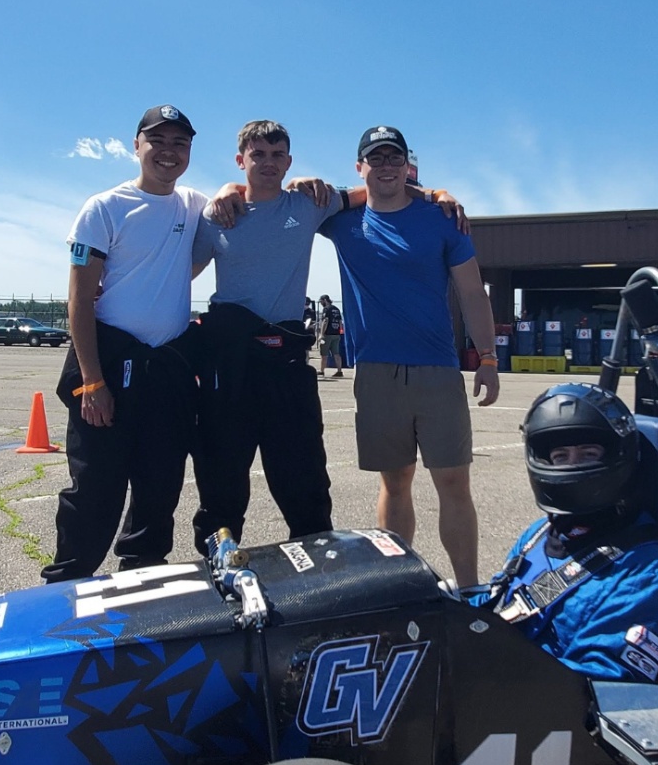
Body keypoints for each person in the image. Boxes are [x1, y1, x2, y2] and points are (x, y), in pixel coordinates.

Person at [191, 121, 467, 555]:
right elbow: (183, 273)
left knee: (305, 485)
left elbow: (377, 190)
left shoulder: (307, 205)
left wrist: (435, 193)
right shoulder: (218, 213)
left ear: (289, 161)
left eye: (276, 154)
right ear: (240, 160)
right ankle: (218, 571)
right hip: (230, 364)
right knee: (221, 482)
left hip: (284, 361)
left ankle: (317, 584)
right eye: (257, 155)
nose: (267, 162)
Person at [319, 125, 500, 587]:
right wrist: (230, 187)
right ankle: (398, 586)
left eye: (393, 158)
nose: (385, 167)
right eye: (375, 158)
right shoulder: (342, 222)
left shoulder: (441, 220)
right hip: (377, 373)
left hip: (437, 372)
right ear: (360, 167)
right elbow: (276, 201)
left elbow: (472, 294)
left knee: (454, 484)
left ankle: (469, 590)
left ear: (407, 166)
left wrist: (488, 358)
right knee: (394, 484)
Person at [41, 105, 206, 582]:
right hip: (109, 364)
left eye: (180, 143)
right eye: (158, 141)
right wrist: (93, 381)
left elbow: (233, 204)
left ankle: (143, 579)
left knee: (160, 486)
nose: (169, 152)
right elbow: (78, 299)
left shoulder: (192, 205)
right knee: (95, 487)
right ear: (136, 146)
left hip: (166, 368)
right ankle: (67, 585)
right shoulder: (104, 208)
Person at [469, 383, 658, 681]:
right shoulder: (539, 535)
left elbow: (601, 684)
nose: (573, 466)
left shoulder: (650, 570)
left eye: (588, 454)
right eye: (561, 456)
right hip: (497, 673)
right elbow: (494, 604)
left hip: (542, 707)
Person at [317, 294, 343, 377]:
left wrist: (321, 334)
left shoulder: (326, 309)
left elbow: (325, 321)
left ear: (325, 300)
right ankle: (339, 371)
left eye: (321, 301)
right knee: (336, 353)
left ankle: (322, 370)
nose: (321, 303)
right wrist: (340, 331)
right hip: (336, 334)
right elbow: (340, 322)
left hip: (327, 334)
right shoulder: (336, 309)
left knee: (324, 354)